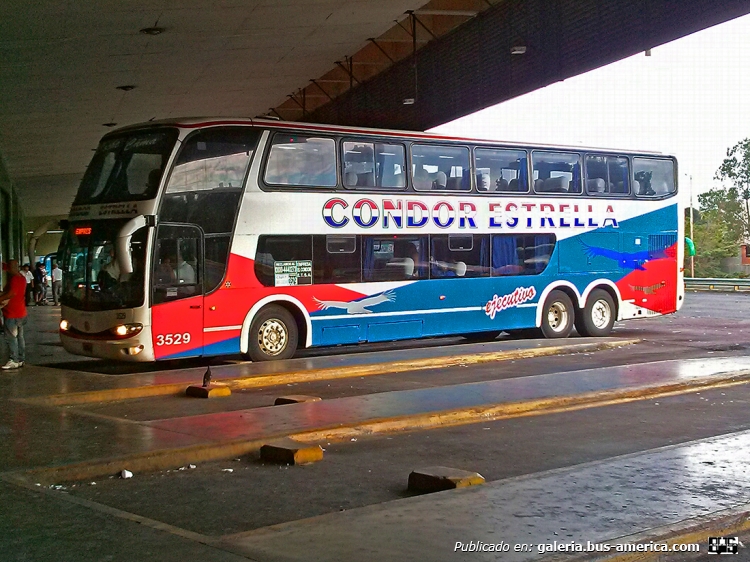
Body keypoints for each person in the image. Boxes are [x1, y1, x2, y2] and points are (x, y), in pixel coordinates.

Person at [0, 260, 28, 369]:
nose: (7, 270)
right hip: (21, 312)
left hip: (12, 314)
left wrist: (0, 298)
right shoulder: (22, 278)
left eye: (8, 268)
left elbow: (12, 293)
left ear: (13, 268)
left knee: (11, 337)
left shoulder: (15, 279)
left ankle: (13, 359)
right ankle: (21, 359)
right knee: (20, 337)